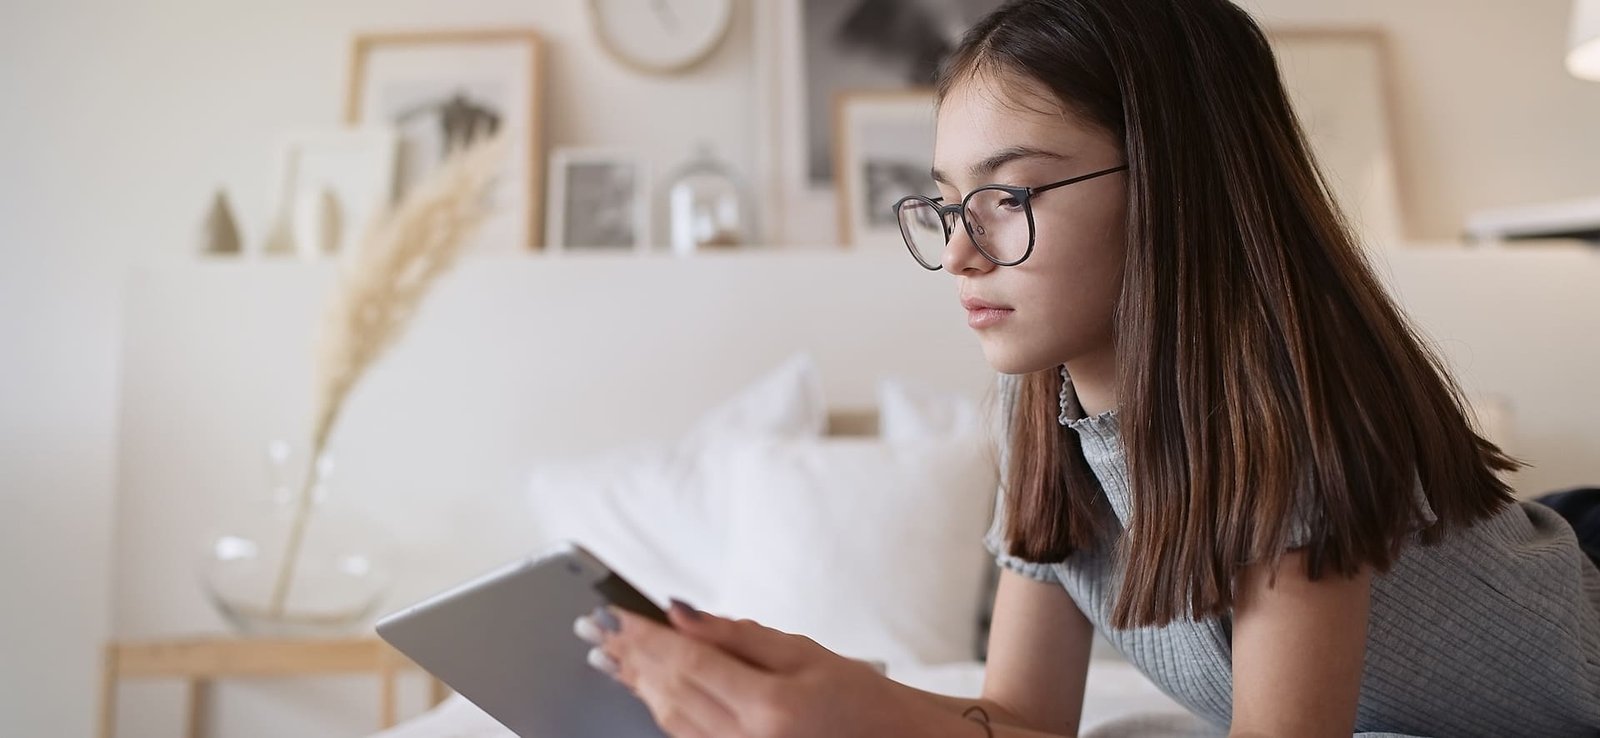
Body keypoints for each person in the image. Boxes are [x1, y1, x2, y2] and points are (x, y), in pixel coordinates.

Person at [573, 1, 1600, 735]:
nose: (963, 252)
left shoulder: (1288, 434)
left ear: (1170, 188)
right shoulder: (1051, 428)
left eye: (1010, 195)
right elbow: (1021, 719)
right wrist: (845, 698)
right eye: (946, 203)